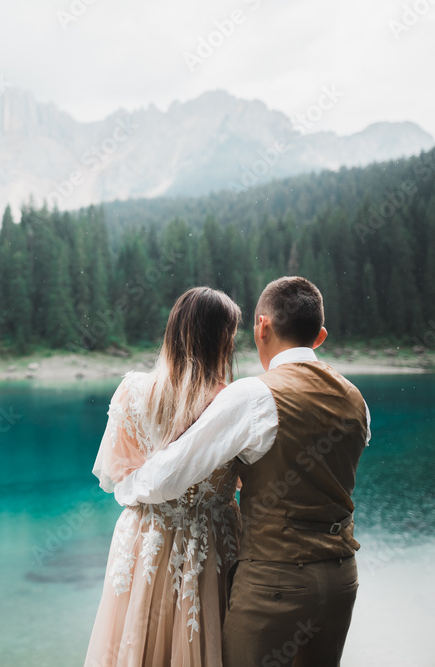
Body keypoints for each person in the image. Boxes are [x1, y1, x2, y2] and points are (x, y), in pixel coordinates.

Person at [114, 276, 371, 667]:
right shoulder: (355, 399)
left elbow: (169, 476)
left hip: (276, 583)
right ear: (319, 337)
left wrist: (126, 487)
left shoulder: (253, 396)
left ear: (262, 326)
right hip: (340, 582)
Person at [85, 287, 243, 667]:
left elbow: (118, 474)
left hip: (145, 539)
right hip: (210, 541)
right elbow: (247, 481)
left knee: (136, 639)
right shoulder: (231, 401)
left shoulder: (133, 391)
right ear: (221, 339)